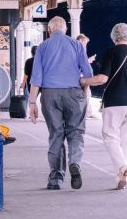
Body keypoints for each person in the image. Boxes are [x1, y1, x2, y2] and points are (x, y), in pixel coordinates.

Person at [83, 23, 127, 190]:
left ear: (114, 37)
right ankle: (122, 177)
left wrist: (83, 81)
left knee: (110, 137)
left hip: (114, 102)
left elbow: (102, 79)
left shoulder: (110, 53)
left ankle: (122, 167)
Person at [29, 17, 93, 191]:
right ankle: (75, 163)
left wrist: (32, 103)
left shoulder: (42, 47)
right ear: (65, 29)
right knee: (76, 132)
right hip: (73, 93)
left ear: (49, 30)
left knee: (56, 135)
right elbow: (88, 73)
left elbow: (36, 78)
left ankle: (55, 178)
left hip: (49, 95)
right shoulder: (77, 45)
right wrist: (84, 94)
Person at [76, 34, 96, 118]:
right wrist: (89, 61)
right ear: (80, 40)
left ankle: (87, 111)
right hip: (80, 78)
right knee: (86, 94)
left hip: (82, 77)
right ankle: (86, 112)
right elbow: (79, 64)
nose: (85, 45)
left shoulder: (79, 49)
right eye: (85, 42)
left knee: (87, 94)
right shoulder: (78, 49)